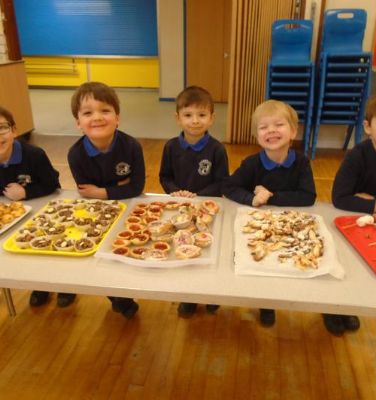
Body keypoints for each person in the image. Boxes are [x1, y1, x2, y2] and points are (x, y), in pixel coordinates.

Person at [222, 99, 316, 327]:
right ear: (257, 136)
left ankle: (279, 298)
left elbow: (307, 196)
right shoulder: (252, 164)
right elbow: (228, 187)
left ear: (293, 131)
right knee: (259, 262)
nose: (271, 130)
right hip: (257, 226)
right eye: (264, 127)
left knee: (284, 264)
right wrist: (252, 199)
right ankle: (265, 303)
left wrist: (271, 196)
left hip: (289, 227)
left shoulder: (301, 162)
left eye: (279, 125)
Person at [68, 82, 145, 319]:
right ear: (78, 123)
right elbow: (85, 191)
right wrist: (117, 188)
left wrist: (103, 191)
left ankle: (127, 288)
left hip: (130, 210)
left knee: (125, 254)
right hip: (96, 214)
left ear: (117, 118)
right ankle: (118, 297)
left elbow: (136, 186)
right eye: (88, 113)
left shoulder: (131, 146)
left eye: (105, 110)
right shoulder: (76, 154)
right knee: (94, 256)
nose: (97, 118)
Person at [328, 89, 376, 335]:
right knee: (349, 267)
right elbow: (339, 198)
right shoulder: (356, 156)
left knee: (375, 270)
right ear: (368, 127)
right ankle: (335, 309)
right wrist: (375, 206)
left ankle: (352, 306)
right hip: (354, 223)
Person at [159, 85, 229, 317]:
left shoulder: (217, 149)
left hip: (207, 211)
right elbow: (164, 177)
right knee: (183, 253)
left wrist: (198, 197)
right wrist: (176, 192)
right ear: (178, 118)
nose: (195, 121)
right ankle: (188, 296)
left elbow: (222, 182)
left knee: (208, 255)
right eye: (188, 115)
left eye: (202, 115)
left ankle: (210, 294)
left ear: (211, 118)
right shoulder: (170, 147)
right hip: (179, 211)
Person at [0, 106, 74, 307]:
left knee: (53, 248)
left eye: (2, 128)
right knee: (27, 252)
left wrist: (26, 193)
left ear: (14, 130)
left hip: (44, 209)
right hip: (11, 215)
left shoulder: (34, 155)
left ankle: (66, 286)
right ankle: (40, 285)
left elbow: (52, 183)